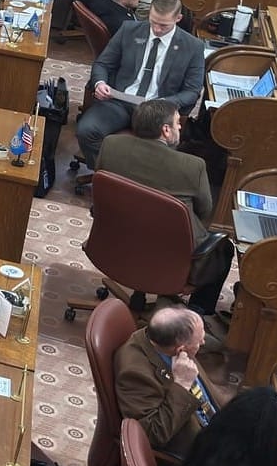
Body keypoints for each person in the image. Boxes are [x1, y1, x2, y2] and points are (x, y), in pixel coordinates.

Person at [97, 100, 231, 316]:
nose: (181, 127)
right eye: (178, 123)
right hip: (168, 262)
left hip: (112, 246)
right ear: (165, 130)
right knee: (224, 249)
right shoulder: (193, 166)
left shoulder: (111, 145)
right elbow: (205, 211)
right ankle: (197, 314)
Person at [76, 0, 205, 168]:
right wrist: (100, 83)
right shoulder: (129, 30)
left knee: (158, 153)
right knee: (87, 130)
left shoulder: (193, 47)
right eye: (153, 22)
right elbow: (102, 64)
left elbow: (192, 91)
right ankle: (110, 178)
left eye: (163, 25)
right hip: (119, 102)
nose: (157, 29)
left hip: (158, 110)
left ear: (178, 18)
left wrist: (165, 102)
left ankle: (135, 183)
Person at [115, 305, 224, 463]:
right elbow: (153, 434)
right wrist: (181, 385)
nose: (203, 341)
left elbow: (210, 396)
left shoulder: (166, 340)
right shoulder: (134, 374)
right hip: (194, 454)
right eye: (199, 342)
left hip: (216, 425)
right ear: (180, 348)